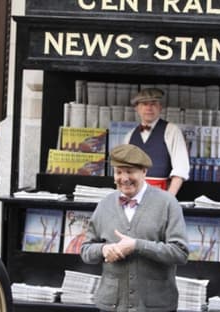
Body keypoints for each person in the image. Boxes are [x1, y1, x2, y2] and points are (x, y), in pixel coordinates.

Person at [80, 144, 189, 312]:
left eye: (130, 171)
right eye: (118, 172)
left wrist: (138, 246)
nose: (124, 178)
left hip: (155, 306)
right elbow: (86, 251)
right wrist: (103, 250)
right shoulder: (104, 205)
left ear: (144, 172)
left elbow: (180, 253)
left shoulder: (167, 203)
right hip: (112, 305)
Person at [124, 87, 190, 196]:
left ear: (160, 107)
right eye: (144, 104)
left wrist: (168, 199)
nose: (149, 108)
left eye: (153, 104)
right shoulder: (129, 135)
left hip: (161, 193)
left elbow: (181, 169)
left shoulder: (172, 131)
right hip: (133, 195)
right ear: (137, 108)